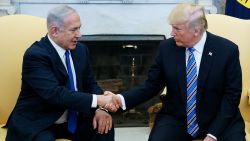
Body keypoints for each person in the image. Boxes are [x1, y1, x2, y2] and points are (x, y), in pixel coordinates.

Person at [107, 3, 246, 141]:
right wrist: (121, 99)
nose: (171, 33)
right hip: (177, 118)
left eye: (177, 28)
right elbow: (151, 86)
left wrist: (213, 135)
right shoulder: (166, 48)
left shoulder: (227, 51)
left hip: (219, 119)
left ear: (196, 30)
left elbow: (231, 96)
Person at [6, 5, 114, 141]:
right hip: (41, 121)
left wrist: (101, 109)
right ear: (55, 31)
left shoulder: (81, 50)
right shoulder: (36, 55)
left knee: (104, 127)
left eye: (79, 28)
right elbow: (55, 94)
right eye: (74, 30)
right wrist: (99, 100)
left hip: (75, 119)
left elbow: (90, 84)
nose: (79, 35)